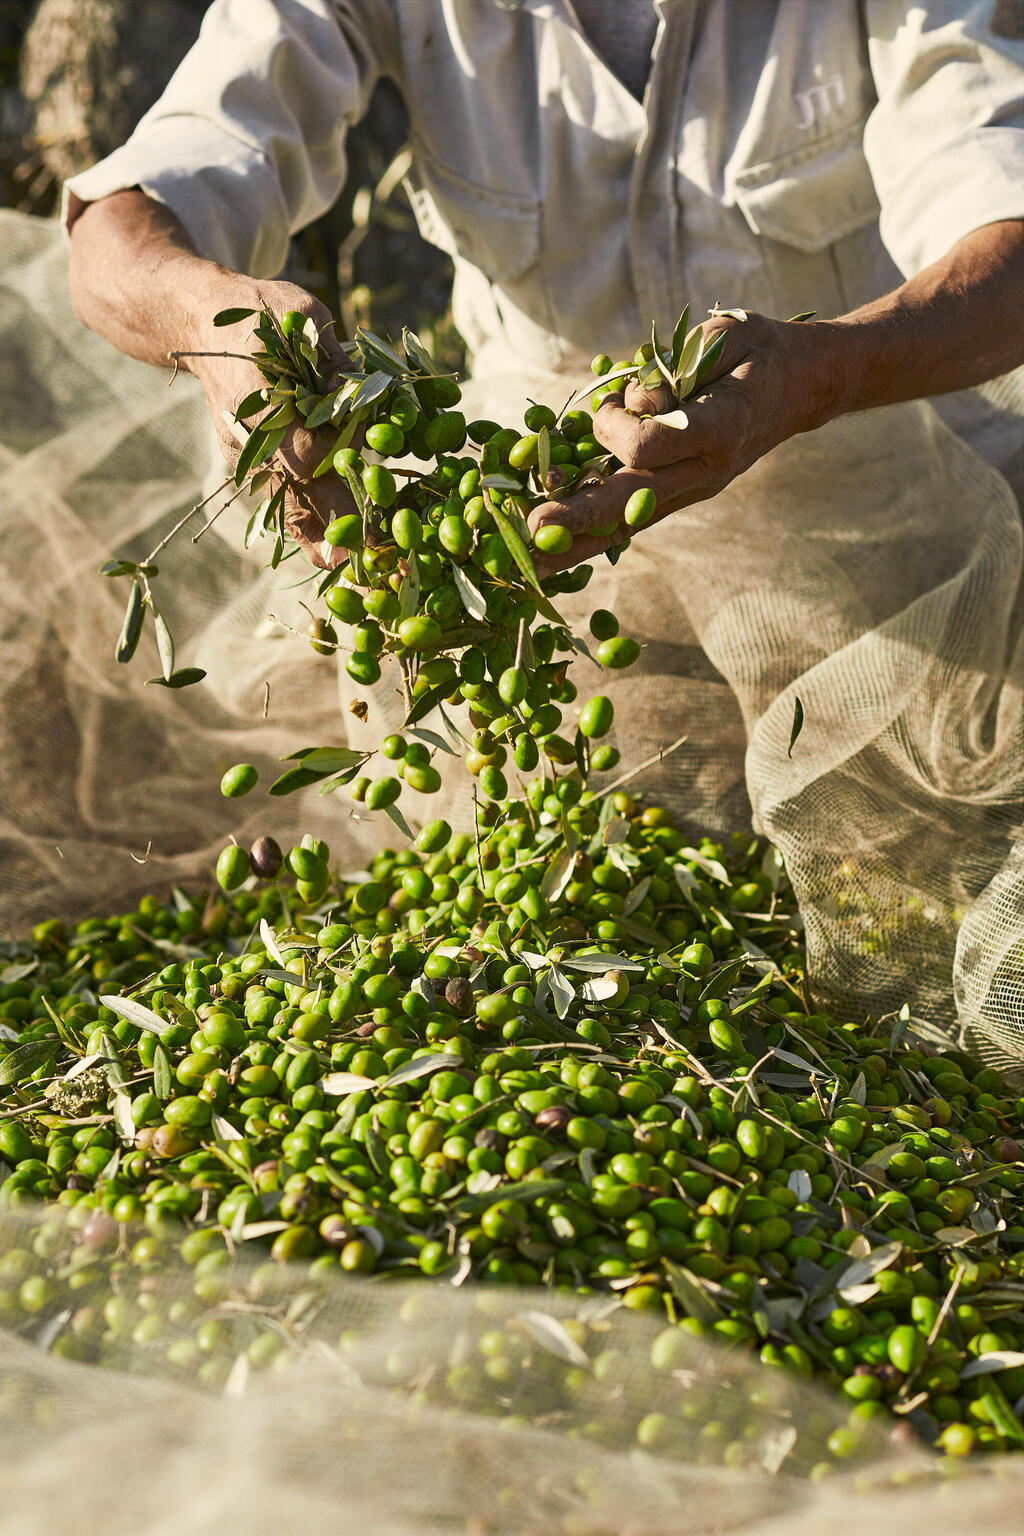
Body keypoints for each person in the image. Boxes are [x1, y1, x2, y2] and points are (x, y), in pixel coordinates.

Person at [59, 0, 1024, 1040]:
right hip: (551, 542)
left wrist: (825, 370)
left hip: (900, 511)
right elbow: (132, 218)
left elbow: (1003, 223)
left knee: (912, 926)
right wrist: (213, 329)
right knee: (557, 896)